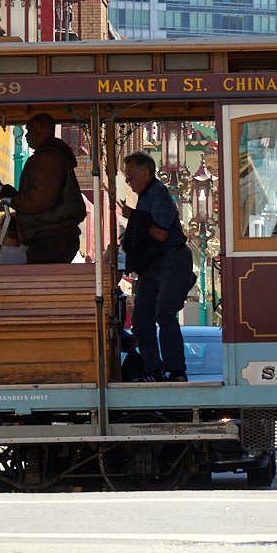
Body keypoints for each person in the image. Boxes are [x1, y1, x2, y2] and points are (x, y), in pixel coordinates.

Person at [120, 151, 197, 383]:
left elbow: (162, 233)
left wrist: (134, 218)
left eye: (131, 177)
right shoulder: (145, 196)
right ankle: (153, 368)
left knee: (164, 313)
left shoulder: (159, 194)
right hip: (151, 265)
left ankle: (176, 371)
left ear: (146, 173)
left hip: (171, 260)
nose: (129, 183)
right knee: (142, 317)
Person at [0, 113, 86, 263]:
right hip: (53, 236)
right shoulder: (50, 156)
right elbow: (37, 196)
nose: (26, 136)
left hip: (51, 237)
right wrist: (4, 192)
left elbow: (42, 199)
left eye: (29, 130)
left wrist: (12, 200)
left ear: (39, 128)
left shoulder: (48, 158)